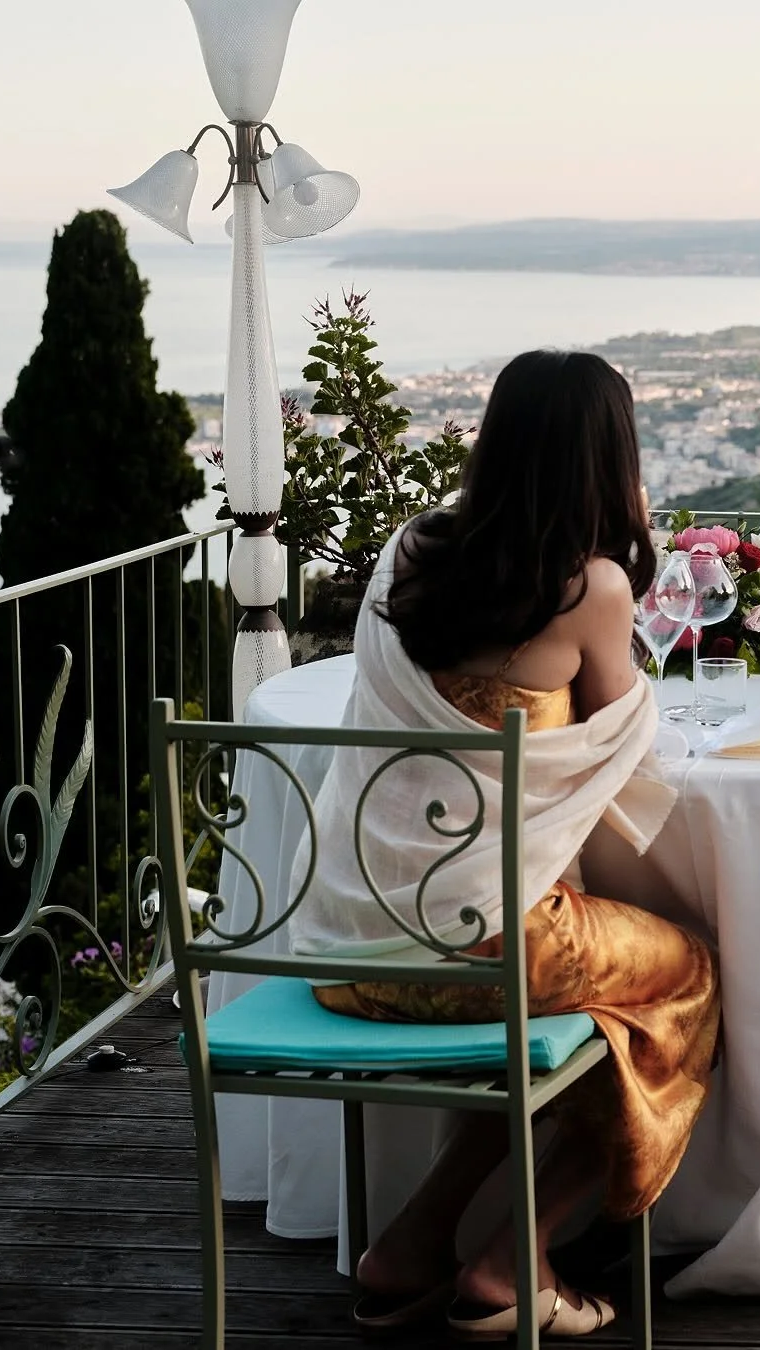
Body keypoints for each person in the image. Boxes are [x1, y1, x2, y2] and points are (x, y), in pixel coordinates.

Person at [287, 350, 721, 1340]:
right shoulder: (590, 587)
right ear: (611, 456)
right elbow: (625, 735)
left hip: (350, 947)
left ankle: (410, 1244)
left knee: (555, 1024)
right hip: (485, 952)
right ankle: (512, 1259)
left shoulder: (411, 550)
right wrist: (636, 542)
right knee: (684, 979)